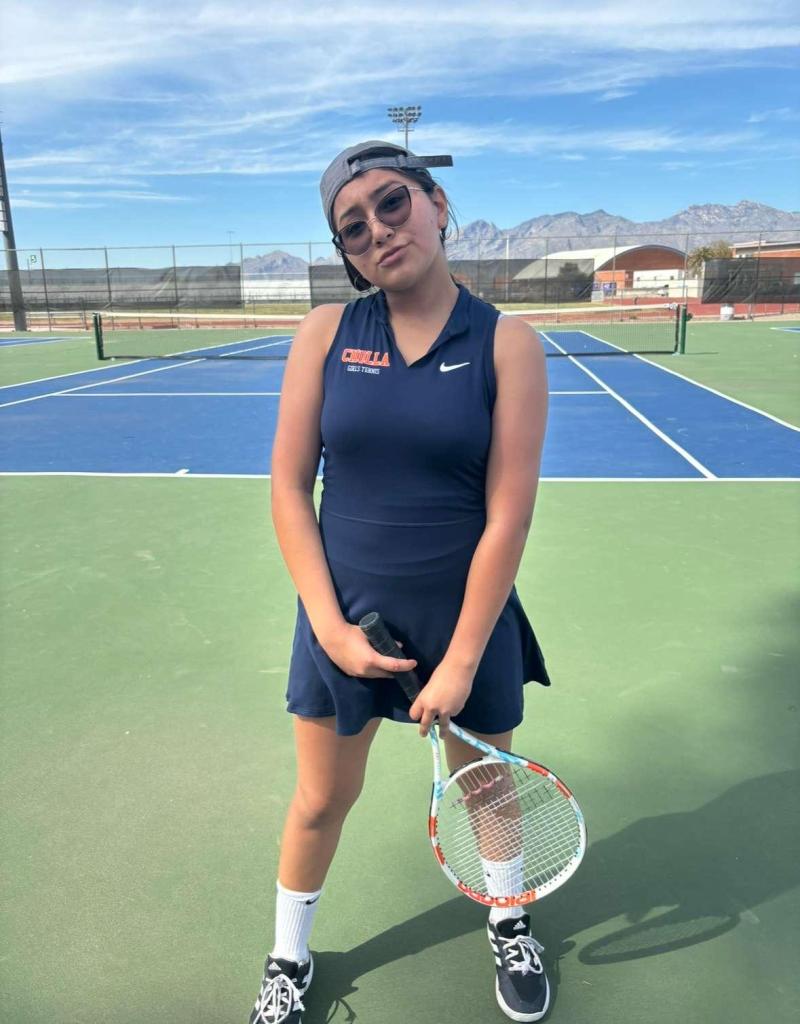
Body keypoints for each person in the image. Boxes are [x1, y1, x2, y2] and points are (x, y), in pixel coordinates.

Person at [248, 141, 551, 1024]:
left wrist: (460, 662)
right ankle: (289, 958)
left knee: (487, 789)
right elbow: (287, 488)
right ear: (345, 254)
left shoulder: (509, 344)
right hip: (346, 622)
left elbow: (508, 517)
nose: (377, 231)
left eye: (392, 205)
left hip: (468, 622)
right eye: (353, 227)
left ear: (438, 205)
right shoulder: (326, 334)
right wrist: (332, 628)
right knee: (319, 800)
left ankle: (509, 918)